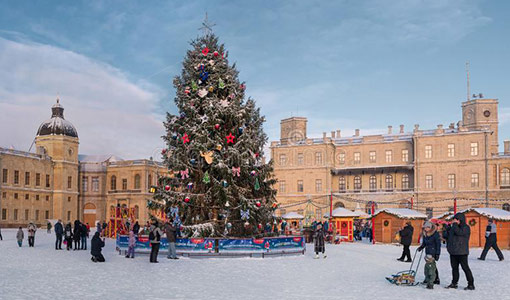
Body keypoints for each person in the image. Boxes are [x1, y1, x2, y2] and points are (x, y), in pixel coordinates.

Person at [443, 212, 475, 290]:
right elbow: (446, 237)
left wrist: (454, 226)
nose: (454, 221)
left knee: (465, 268)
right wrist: (447, 229)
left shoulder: (465, 227)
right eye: (454, 219)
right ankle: (454, 283)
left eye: (455, 219)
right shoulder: (454, 227)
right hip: (453, 251)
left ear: (460, 220)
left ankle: (471, 284)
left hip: (462, 251)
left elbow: (459, 233)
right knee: (454, 268)